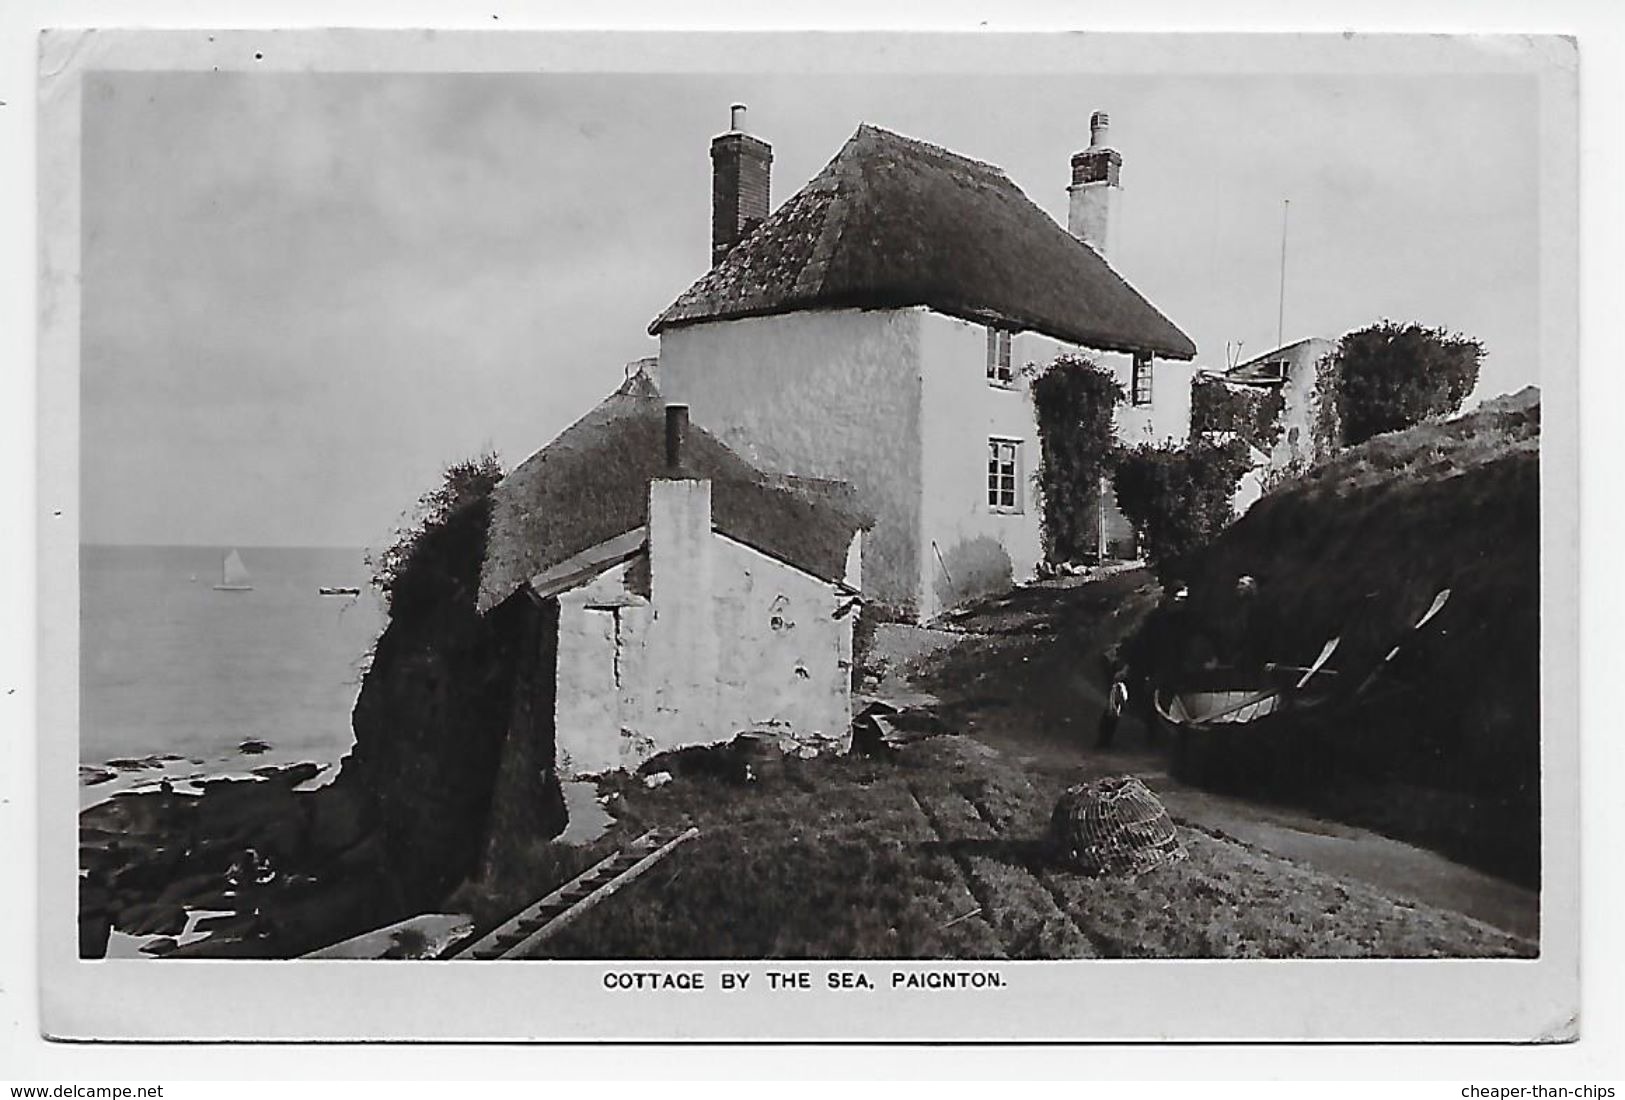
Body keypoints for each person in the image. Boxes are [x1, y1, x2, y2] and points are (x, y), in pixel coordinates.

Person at [1096, 663, 1130, 750]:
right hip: (1112, 706)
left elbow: (1122, 698)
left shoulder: (1121, 686)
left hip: (1115, 707)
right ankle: (1103, 742)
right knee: (1106, 724)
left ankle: (1104, 743)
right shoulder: (1117, 684)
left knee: (1109, 724)